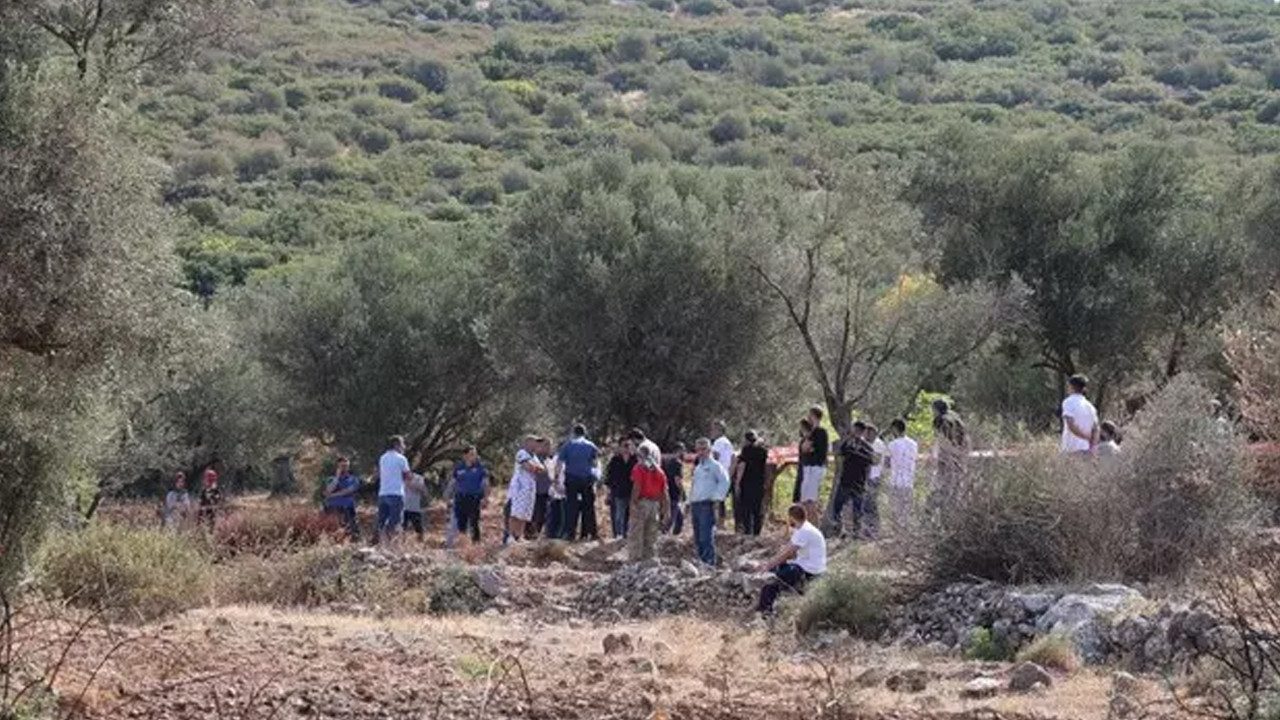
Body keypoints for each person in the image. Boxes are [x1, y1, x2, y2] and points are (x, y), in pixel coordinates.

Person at [755, 504, 827, 616]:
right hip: (805, 565)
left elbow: (788, 553)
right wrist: (770, 564)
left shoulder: (805, 531)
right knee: (776, 569)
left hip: (809, 571)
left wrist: (768, 566)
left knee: (771, 582)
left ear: (792, 518)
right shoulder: (803, 528)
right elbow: (787, 549)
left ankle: (764, 613)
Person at [689, 437, 731, 566]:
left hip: (707, 505)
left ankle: (709, 564)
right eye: (699, 449)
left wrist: (717, 498)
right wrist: (688, 502)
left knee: (705, 536)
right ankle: (702, 562)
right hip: (695, 504)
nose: (701, 452)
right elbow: (694, 486)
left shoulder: (715, 466)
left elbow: (725, 481)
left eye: (704, 449)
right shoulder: (698, 468)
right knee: (697, 538)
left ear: (709, 450)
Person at [628, 444, 671, 562]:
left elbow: (637, 487)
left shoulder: (639, 468)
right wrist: (666, 511)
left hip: (642, 503)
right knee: (651, 536)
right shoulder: (660, 471)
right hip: (655, 505)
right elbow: (665, 493)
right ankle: (649, 561)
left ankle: (635, 561)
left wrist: (633, 503)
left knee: (636, 534)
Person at [558, 424, 601, 541]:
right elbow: (595, 463)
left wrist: (557, 479)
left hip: (571, 479)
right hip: (587, 479)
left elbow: (560, 463)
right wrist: (596, 478)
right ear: (584, 433)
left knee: (571, 506)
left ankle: (569, 533)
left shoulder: (568, 445)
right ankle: (589, 533)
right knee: (588, 507)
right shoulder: (591, 445)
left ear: (574, 433)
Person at [831, 422, 873, 539]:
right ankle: (840, 530)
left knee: (857, 510)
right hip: (846, 481)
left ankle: (856, 532)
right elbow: (840, 453)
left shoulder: (867, 448)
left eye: (857, 431)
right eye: (854, 430)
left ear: (862, 432)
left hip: (858, 483)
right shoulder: (848, 444)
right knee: (837, 507)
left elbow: (870, 461)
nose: (855, 433)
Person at [377, 435, 413, 546]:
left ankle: (378, 541)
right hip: (396, 493)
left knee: (381, 520)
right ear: (397, 445)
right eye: (403, 444)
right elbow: (408, 476)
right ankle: (391, 544)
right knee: (395, 521)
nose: (404, 447)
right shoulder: (401, 458)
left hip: (383, 493)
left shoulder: (382, 458)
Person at [507, 436, 544, 544]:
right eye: (535, 442)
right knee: (516, 512)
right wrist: (535, 467)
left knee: (525, 513)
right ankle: (511, 536)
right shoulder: (521, 453)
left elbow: (542, 469)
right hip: (520, 487)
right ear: (528, 442)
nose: (537, 445)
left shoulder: (533, 456)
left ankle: (520, 536)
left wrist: (535, 467)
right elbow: (528, 467)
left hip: (530, 488)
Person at [884, 419, 918, 536]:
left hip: (896, 480)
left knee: (896, 509)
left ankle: (896, 533)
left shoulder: (892, 444)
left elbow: (887, 463)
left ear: (895, 429)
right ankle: (905, 533)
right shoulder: (914, 444)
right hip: (909, 480)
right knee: (906, 511)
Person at [931, 399, 968, 505]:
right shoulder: (956, 418)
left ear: (936, 409)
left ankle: (945, 508)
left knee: (943, 485)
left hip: (947, 456)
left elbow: (941, 439)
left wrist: (939, 455)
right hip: (959, 455)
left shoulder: (939, 420)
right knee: (957, 485)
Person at [798, 406, 830, 523]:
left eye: (809, 415)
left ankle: (815, 527)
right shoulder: (811, 433)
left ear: (813, 415)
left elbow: (806, 448)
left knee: (810, 501)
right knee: (804, 501)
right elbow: (804, 448)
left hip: (815, 467)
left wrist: (807, 446)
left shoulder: (820, 432)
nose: (808, 417)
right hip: (808, 467)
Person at [735, 430, 768, 536]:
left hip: (747, 483)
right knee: (757, 509)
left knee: (746, 509)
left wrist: (737, 482)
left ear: (746, 440)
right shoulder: (763, 451)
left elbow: (742, 466)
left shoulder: (746, 450)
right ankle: (757, 533)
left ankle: (747, 532)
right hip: (759, 483)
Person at [453, 445, 487, 545]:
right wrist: (448, 497)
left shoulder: (480, 467)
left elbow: (485, 483)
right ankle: (463, 544)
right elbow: (454, 482)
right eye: (472, 454)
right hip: (460, 498)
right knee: (461, 522)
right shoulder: (459, 467)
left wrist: (486, 497)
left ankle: (476, 543)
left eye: (475, 454)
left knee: (474, 521)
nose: (474, 456)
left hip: (474, 498)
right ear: (465, 455)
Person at [323, 456, 361, 541]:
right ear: (338, 467)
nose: (344, 468)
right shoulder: (331, 479)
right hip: (332, 508)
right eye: (342, 466)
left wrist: (332, 495)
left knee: (350, 530)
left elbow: (348, 491)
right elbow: (328, 490)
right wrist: (337, 478)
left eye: (346, 466)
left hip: (347, 507)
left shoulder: (353, 479)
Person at [1061, 374, 1099, 456]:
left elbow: (1070, 425)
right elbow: (1095, 429)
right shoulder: (1090, 407)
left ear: (1071, 386)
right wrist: (1093, 446)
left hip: (1071, 449)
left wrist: (1085, 436)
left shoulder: (1068, 402)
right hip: (1086, 449)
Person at [606, 438, 637, 539]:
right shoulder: (615, 460)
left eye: (628, 445)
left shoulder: (635, 460)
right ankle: (619, 534)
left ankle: (628, 534)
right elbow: (609, 478)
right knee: (619, 514)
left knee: (631, 515)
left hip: (633, 492)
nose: (627, 448)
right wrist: (609, 493)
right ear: (620, 447)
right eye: (624, 445)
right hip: (619, 491)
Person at [861, 424, 887, 540]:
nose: (865, 435)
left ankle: (874, 528)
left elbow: (875, 460)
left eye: (867, 433)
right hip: (865, 477)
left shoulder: (878, 444)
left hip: (873, 477)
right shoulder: (865, 443)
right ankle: (867, 528)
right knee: (865, 503)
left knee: (871, 503)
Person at [529, 437, 554, 539]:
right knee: (533, 515)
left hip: (547, 492)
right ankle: (530, 534)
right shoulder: (532, 459)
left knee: (543, 516)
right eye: (546, 445)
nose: (548, 448)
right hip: (535, 492)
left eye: (549, 446)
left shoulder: (550, 460)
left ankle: (537, 534)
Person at [711, 422, 734, 528]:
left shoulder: (718, 442)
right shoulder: (728, 442)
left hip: (717, 474)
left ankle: (716, 523)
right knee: (721, 500)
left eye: (714, 430)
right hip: (725, 474)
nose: (712, 432)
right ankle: (721, 522)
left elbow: (715, 456)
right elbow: (733, 458)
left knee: (715, 501)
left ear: (720, 430)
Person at [662, 443, 687, 535]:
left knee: (678, 514)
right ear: (680, 450)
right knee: (672, 515)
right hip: (674, 491)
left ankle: (677, 532)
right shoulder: (677, 462)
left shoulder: (665, 460)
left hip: (665, 490)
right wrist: (683, 492)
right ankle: (664, 534)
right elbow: (677, 480)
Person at [546, 445, 567, 540]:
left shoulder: (567, 459)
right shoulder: (555, 459)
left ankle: (558, 537)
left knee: (561, 517)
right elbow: (552, 475)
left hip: (565, 492)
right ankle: (552, 537)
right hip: (557, 492)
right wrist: (557, 486)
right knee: (555, 517)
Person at [402, 472, 427, 542]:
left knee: (418, 527)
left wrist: (410, 484)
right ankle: (401, 543)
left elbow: (424, 491)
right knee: (402, 527)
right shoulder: (399, 477)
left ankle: (420, 542)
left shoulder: (418, 478)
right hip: (402, 507)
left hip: (414, 507)